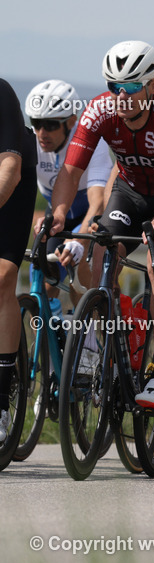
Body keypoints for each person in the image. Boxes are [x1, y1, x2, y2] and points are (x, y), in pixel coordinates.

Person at [43, 41, 154, 410]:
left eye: (131, 87)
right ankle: (118, 345)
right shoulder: (100, 109)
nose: (121, 96)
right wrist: (59, 212)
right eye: (114, 86)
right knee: (99, 258)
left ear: (151, 85)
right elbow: (70, 171)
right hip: (130, 192)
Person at [24, 79, 111, 307]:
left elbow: (98, 204)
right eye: (36, 123)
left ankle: (87, 326)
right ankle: (50, 324)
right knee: (44, 282)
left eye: (50, 125)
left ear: (72, 121)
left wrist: (79, 241)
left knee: (79, 270)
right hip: (58, 213)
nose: (41, 133)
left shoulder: (93, 143)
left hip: (90, 214)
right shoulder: (30, 141)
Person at [0, 78, 38, 443]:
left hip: (10, 180)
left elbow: (9, 170)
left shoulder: (1, 93)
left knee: (2, 277)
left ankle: (0, 401)